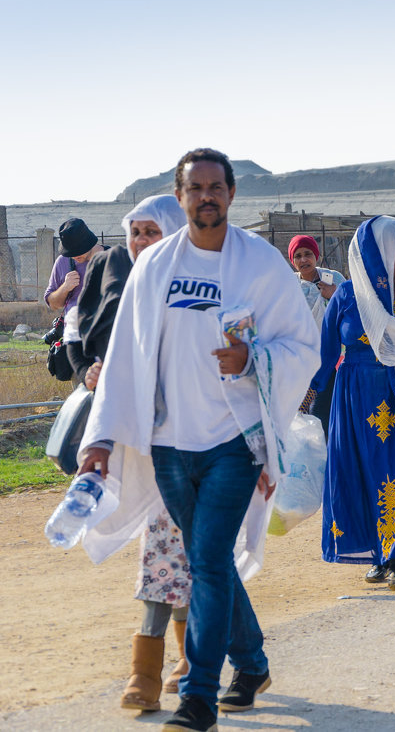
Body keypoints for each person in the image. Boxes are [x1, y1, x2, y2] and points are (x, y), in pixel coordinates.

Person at [79, 147, 319, 732]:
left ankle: (198, 697)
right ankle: (254, 662)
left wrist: (251, 357)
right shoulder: (155, 266)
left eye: (216, 187)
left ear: (232, 195)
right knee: (211, 562)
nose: (206, 196)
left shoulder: (260, 266)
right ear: (180, 196)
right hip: (167, 446)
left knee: (206, 560)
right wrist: (102, 437)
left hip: (233, 444)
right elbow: (125, 359)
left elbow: (302, 347)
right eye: (195, 188)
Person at [71, 195, 191, 713]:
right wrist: (90, 373)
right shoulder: (130, 296)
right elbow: (97, 349)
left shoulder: (199, 292)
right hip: (152, 450)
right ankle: (154, 666)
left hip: (208, 446)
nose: (141, 242)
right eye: (135, 232)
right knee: (168, 552)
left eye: (152, 231)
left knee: (198, 557)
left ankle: (192, 660)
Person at [305, 216, 395, 591]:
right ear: (377, 252)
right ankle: (378, 553)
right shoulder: (347, 296)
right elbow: (325, 354)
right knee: (362, 474)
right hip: (353, 399)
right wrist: (307, 395)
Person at [289, 234, 345, 433]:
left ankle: (326, 455)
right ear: (292, 260)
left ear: (317, 256)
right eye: (298, 256)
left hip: (328, 360)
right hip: (298, 362)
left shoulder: (334, 279)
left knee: (323, 413)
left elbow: (352, 307)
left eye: (308, 254)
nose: (303, 259)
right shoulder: (288, 285)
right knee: (299, 416)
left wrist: (334, 294)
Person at [44, 218, 104, 313]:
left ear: (89, 243)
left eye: (79, 251)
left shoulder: (114, 258)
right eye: (70, 253)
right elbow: (53, 304)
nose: (74, 256)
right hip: (74, 326)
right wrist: (65, 287)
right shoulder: (63, 261)